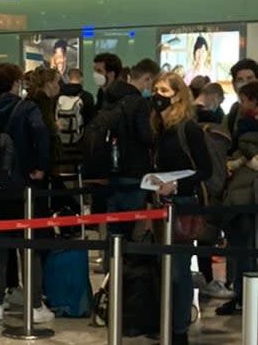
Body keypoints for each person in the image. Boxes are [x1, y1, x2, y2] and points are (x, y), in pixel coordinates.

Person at [0, 63, 54, 324]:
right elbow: (41, 134)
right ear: (15, 83)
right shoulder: (27, 108)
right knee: (28, 246)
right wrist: (40, 167)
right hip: (24, 186)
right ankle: (33, 305)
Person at [152, 72, 212, 345]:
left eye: (163, 90)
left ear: (177, 95)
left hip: (183, 203)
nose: (157, 96)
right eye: (156, 89)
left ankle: (178, 330)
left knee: (178, 271)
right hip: (160, 205)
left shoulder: (188, 128)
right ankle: (167, 323)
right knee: (165, 268)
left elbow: (205, 170)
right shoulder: (159, 126)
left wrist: (176, 185)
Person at [102, 59, 159, 240]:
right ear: (147, 79)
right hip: (134, 171)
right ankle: (128, 266)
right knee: (132, 229)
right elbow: (145, 137)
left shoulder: (110, 98)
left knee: (114, 228)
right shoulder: (138, 103)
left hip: (111, 168)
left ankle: (111, 265)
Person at [217, 80, 258, 315]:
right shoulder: (236, 118)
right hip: (242, 195)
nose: (241, 104)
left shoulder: (243, 122)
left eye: (245, 100)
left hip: (246, 192)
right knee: (241, 247)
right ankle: (241, 294)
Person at [58, 67, 96, 140]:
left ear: (67, 78)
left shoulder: (58, 95)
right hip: (80, 138)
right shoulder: (87, 96)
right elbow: (91, 119)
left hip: (61, 139)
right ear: (81, 79)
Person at [226, 58, 258, 142]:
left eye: (250, 78)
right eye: (240, 80)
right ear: (234, 84)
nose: (245, 83)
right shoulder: (234, 110)